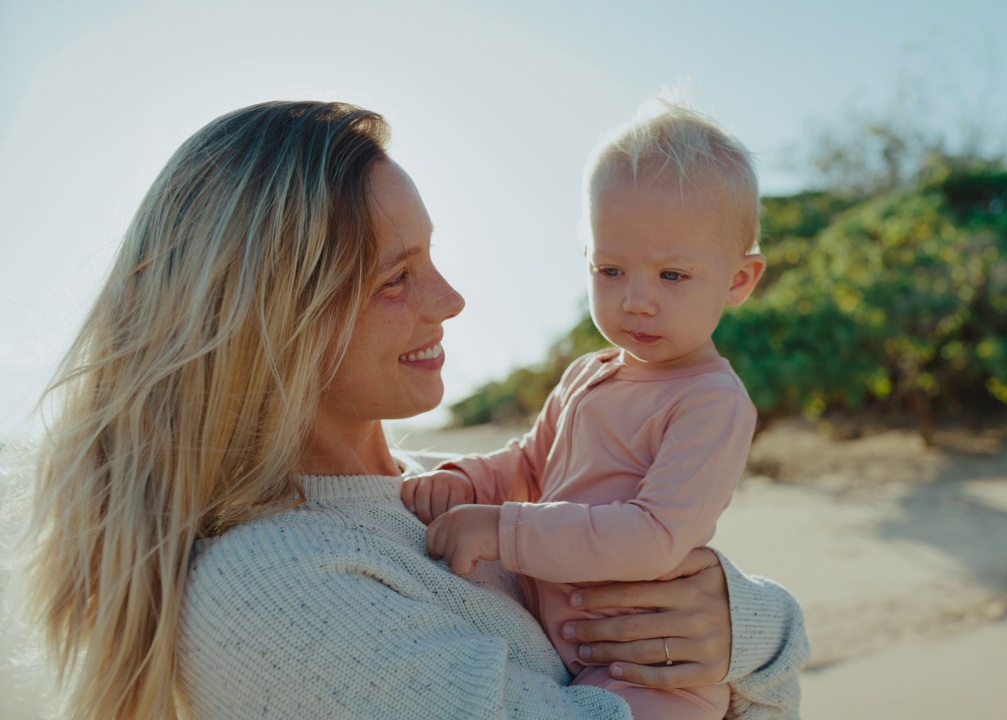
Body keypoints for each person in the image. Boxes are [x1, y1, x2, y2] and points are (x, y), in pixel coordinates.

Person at [19, 100, 807, 720]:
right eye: (397, 277)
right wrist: (763, 648)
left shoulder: (445, 493)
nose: (451, 300)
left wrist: (746, 624)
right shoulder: (276, 588)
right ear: (274, 317)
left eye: (433, 258)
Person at [399, 101, 769, 719]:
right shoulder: (588, 374)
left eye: (673, 275)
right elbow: (529, 463)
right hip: (572, 656)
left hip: (654, 672)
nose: (637, 301)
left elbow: (653, 537)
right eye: (611, 269)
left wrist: (501, 529)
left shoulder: (712, 402)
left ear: (738, 280)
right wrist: (467, 481)